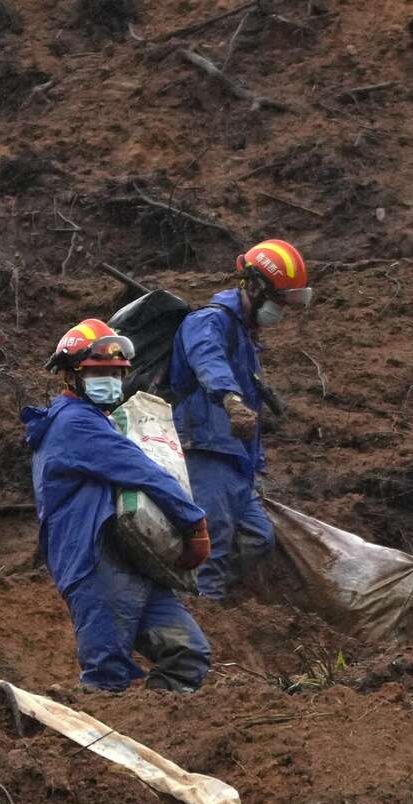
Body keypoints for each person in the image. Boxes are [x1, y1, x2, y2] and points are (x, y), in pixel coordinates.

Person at [23, 320, 213, 693]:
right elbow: (144, 471)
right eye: (100, 372)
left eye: (116, 372)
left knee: (186, 653)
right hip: (96, 565)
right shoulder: (75, 423)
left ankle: (159, 736)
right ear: (71, 374)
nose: (110, 380)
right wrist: (194, 525)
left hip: (129, 559)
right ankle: (93, 746)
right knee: (107, 677)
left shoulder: (96, 420)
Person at [168, 238, 311, 599]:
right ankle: (201, 612)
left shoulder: (247, 338)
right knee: (211, 546)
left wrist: (256, 466)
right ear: (256, 287)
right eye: (278, 301)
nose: (280, 311)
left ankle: (206, 601)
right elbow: (208, 361)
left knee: (258, 537)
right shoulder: (208, 322)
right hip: (205, 452)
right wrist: (229, 398)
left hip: (236, 462)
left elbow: (253, 415)